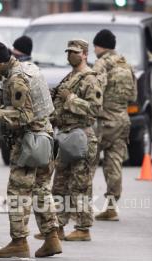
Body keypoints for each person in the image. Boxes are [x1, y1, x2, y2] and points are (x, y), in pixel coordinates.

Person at [0, 41, 62, 258]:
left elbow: (24, 117)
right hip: (45, 139)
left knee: (18, 193)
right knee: (41, 190)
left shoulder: (17, 79)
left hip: (30, 143)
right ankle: (51, 238)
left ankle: (19, 242)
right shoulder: (29, 68)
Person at [51, 39, 103, 241]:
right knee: (59, 185)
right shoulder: (70, 77)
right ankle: (59, 226)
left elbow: (94, 109)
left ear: (84, 55)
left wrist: (70, 98)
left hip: (81, 136)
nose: (70, 55)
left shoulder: (90, 79)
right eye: (69, 52)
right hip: (65, 135)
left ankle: (83, 228)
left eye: (75, 52)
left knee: (80, 185)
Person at [92, 29, 137, 221]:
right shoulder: (126, 64)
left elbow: (94, 92)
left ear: (98, 46)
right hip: (123, 120)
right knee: (114, 164)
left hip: (103, 121)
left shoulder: (101, 64)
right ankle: (111, 207)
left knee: (87, 163)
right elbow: (134, 96)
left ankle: (80, 207)